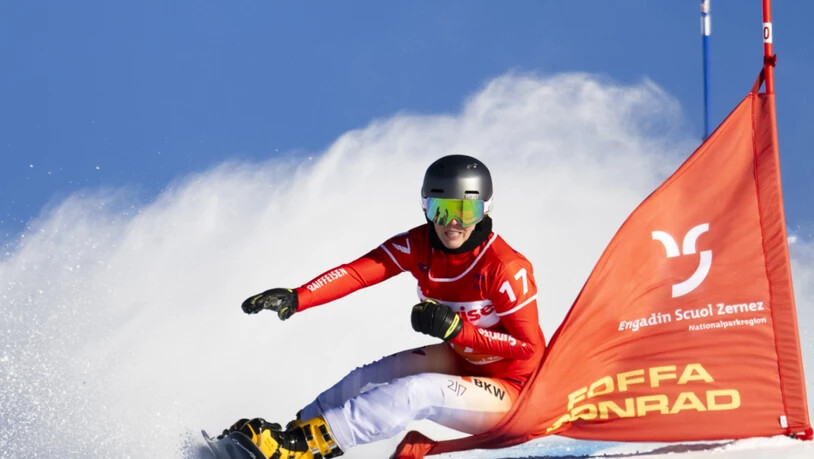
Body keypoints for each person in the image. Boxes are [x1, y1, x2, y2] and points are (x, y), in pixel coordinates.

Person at [225, 154, 546, 458]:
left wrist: (459, 331)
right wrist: (299, 297)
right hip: (465, 362)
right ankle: (290, 436)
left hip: (514, 392)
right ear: (426, 208)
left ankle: (305, 448)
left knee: (416, 391)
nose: (452, 223)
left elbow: (530, 349)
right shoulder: (417, 245)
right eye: (441, 210)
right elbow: (356, 273)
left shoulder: (504, 267)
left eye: (466, 212)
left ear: (485, 211)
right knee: (368, 377)